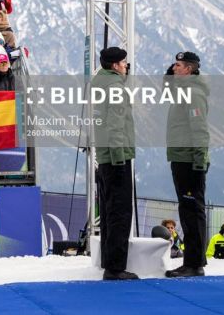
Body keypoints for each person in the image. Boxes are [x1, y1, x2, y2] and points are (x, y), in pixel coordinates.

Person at [91, 47, 138, 281]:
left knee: (109, 210)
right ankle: (116, 267)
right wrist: (120, 156)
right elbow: (116, 124)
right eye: (123, 63)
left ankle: (108, 260)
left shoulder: (99, 82)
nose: (126, 66)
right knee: (120, 211)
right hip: (116, 155)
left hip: (103, 153)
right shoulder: (115, 88)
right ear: (115, 65)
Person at [164, 51, 210, 278]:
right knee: (187, 209)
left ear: (189, 69)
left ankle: (194, 263)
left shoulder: (193, 93)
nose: (173, 68)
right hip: (180, 157)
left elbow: (199, 128)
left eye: (178, 65)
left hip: (190, 160)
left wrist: (199, 162)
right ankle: (194, 260)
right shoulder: (182, 91)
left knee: (193, 211)